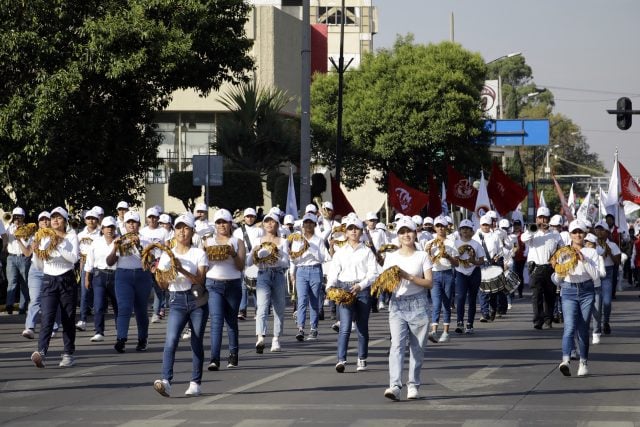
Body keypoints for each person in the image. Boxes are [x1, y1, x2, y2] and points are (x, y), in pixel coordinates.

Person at [153, 214, 209, 397]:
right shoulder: (167, 254)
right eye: (178, 228)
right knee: (171, 340)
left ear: (192, 231)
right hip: (176, 299)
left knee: (196, 341)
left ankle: (195, 382)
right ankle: (166, 381)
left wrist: (180, 268)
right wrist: (158, 275)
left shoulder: (199, 253)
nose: (182, 232)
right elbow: (162, 285)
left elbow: (200, 280)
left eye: (186, 228)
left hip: (196, 300)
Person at [382, 217, 433, 400]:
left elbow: (429, 283)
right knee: (396, 345)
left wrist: (408, 276)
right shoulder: (391, 256)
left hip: (418, 303)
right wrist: (386, 282)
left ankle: (413, 384)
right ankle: (395, 386)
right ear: (398, 236)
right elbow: (385, 281)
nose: (406, 235)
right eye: (402, 232)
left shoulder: (422, 256)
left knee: (416, 348)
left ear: (415, 233)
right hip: (397, 303)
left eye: (409, 231)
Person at [30, 207, 79, 368]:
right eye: (53, 218)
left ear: (65, 221)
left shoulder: (71, 236)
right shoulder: (43, 237)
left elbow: (73, 259)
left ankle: (68, 354)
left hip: (66, 279)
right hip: (49, 280)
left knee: (67, 319)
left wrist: (57, 245)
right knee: (47, 318)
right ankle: (41, 352)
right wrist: (36, 252)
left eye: (59, 218)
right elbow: (39, 265)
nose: (55, 221)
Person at [326, 216, 376, 373]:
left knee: (362, 326)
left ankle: (362, 358)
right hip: (344, 289)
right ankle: (341, 359)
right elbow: (334, 272)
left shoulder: (367, 251)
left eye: (356, 228)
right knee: (345, 326)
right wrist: (330, 286)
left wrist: (361, 286)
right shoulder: (340, 252)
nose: (353, 231)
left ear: (361, 231)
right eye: (350, 228)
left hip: (362, 289)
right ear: (346, 232)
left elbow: (373, 273)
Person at [554, 220, 599, 377]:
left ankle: (583, 362)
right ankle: (565, 360)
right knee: (569, 326)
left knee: (582, 327)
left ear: (585, 234)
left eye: (580, 232)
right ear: (570, 235)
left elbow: (595, 276)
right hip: (568, 291)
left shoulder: (591, 252)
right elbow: (556, 279)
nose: (577, 235)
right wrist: (560, 272)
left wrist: (583, 260)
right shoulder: (563, 252)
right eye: (574, 232)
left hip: (586, 291)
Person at [107, 211, 153, 353]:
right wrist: (115, 248)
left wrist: (139, 246)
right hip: (123, 275)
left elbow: (151, 261)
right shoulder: (119, 239)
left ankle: (142, 339)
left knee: (141, 309)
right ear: (125, 225)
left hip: (142, 275)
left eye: (134, 222)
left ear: (139, 224)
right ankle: (121, 339)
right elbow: (109, 262)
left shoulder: (146, 240)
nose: (132, 225)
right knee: (124, 307)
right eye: (129, 222)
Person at [205, 208, 246, 370]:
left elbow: (240, 266)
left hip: (233, 284)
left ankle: (233, 354)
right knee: (216, 321)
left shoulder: (237, 242)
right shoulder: (208, 242)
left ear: (230, 224)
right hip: (213, 284)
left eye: (225, 222)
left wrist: (233, 253)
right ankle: (214, 358)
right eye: (219, 222)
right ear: (215, 225)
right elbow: (202, 265)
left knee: (231, 321)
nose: (222, 225)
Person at [247, 212, 289, 353]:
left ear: (277, 224)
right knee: (262, 306)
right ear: (263, 224)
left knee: (279, 307)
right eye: (267, 221)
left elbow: (286, 263)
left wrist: (276, 256)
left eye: (272, 222)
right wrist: (254, 252)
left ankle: (276, 338)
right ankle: (260, 337)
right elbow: (249, 262)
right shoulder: (258, 240)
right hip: (263, 274)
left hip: (277, 274)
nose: (269, 224)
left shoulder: (283, 241)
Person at [290, 213, 330, 342]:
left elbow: (324, 258)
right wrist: (299, 254)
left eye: (310, 222)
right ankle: (300, 328)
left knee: (314, 300)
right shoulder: (297, 239)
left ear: (314, 225)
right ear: (302, 225)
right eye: (306, 222)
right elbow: (294, 260)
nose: (308, 225)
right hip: (301, 271)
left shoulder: (318, 240)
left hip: (315, 270)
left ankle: (313, 328)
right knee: (301, 299)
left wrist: (312, 251)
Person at [521, 207, 562, 330]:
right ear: (537, 219)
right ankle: (538, 320)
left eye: (545, 218)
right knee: (537, 295)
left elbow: (563, 249)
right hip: (535, 268)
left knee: (550, 295)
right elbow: (523, 238)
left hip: (550, 268)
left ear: (549, 219)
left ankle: (548, 319)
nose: (543, 220)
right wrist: (535, 227)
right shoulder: (533, 232)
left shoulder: (555, 234)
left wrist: (557, 258)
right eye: (540, 217)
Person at [22, 211, 61, 339]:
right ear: (38, 223)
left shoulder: (56, 236)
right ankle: (30, 327)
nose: (44, 222)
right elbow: (27, 253)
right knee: (35, 299)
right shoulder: (35, 236)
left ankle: (54, 326)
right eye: (42, 220)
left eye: (47, 219)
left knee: (52, 300)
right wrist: (19, 241)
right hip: (36, 270)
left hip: (51, 270)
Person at [84, 216, 119, 342]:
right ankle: (99, 332)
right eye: (107, 227)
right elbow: (90, 261)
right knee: (98, 305)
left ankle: (120, 331)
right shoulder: (96, 242)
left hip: (116, 275)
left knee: (117, 305)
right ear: (102, 229)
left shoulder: (120, 241)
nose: (109, 230)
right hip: (99, 275)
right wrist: (87, 277)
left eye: (112, 227)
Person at [426, 216, 458, 343]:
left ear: (446, 227)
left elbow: (456, 263)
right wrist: (428, 254)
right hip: (435, 274)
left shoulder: (451, 242)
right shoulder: (430, 243)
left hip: (448, 273)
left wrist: (448, 256)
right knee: (436, 303)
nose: (440, 228)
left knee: (446, 303)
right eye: (438, 226)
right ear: (434, 227)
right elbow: (427, 262)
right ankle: (433, 330)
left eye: (442, 226)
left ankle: (445, 331)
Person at [453, 219, 485, 334]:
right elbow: (453, 260)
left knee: (472, 298)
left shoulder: (476, 244)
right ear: (460, 231)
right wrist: (457, 256)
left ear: (472, 231)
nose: (465, 231)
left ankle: (470, 324)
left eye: (468, 229)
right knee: (461, 297)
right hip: (461, 272)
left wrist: (473, 260)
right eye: (463, 229)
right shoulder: (455, 243)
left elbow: (481, 261)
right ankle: (460, 322)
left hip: (474, 272)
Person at [591, 220, 620, 341]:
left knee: (607, 302)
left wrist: (610, 253)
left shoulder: (613, 245)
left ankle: (606, 321)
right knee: (596, 303)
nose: (599, 232)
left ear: (607, 232)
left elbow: (617, 262)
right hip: (595, 274)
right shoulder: (591, 244)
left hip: (607, 274)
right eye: (597, 229)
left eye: (602, 229)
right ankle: (596, 327)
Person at [233, 207, 263, 320]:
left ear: (255, 218)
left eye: (252, 216)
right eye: (247, 216)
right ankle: (242, 309)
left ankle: (257, 309)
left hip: (255, 260)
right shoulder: (238, 231)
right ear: (244, 218)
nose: (250, 219)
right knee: (243, 286)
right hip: (242, 260)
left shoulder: (259, 230)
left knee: (255, 285)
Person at [141, 207, 170, 324]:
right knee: (144, 289)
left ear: (158, 218)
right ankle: (144, 311)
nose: (152, 219)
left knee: (159, 288)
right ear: (147, 218)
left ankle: (155, 313)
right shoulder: (142, 231)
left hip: (159, 262)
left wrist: (162, 262)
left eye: (155, 217)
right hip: (146, 262)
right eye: (150, 217)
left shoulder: (163, 231)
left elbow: (167, 247)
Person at [76, 209, 101, 332]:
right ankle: (83, 319)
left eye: (93, 218)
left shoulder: (100, 234)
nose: (91, 221)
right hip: (84, 263)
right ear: (85, 220)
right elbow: (76, 250)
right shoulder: (80, 235)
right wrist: (80, 259)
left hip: (97, 263)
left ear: (97, 220)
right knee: (84, 292)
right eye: (88, 218)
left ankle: (97, 321)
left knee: (97, 293)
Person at [5, 207, 31, 315]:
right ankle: (9, 305)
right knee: (12, 282)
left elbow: (27, 244)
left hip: (24, 257)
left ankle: (22, 307)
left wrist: (19, 235)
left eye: (19, 216)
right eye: (15, 216)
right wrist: (9, 223)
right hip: (11, 257)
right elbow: (2, 235)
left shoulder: (28, 229)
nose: (16, 218)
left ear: (23, 217)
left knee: (24, 283)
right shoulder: (8, 227)